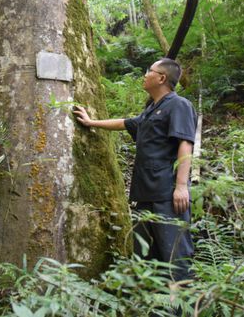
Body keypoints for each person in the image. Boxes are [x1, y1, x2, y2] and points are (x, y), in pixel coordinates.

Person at [74, 58, 197, 281]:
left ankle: (182, 307)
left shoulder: (179, 105)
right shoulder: (151, 110)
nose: (145, 75)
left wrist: (181, 186)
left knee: (174, 255)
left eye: (149, 71)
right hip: (144, 194)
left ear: (161, 78)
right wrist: (92, 123)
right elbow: (126, 123)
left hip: (167, 195)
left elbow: (185, 144)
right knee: (147, 255)